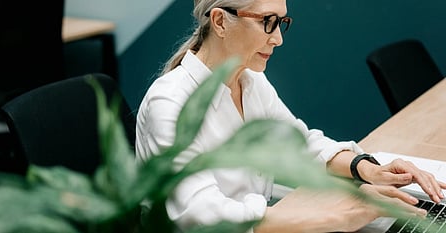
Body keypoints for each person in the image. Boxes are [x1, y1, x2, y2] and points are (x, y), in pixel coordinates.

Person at [135, 0, 446, 232]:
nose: (278, 39)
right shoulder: (171, 103)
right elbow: (200, 214)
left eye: (281, 22)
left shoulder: (250, 79)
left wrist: (365, 168)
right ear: (219, 22)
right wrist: (338, 215)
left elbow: (298, 144)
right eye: (267, 22)